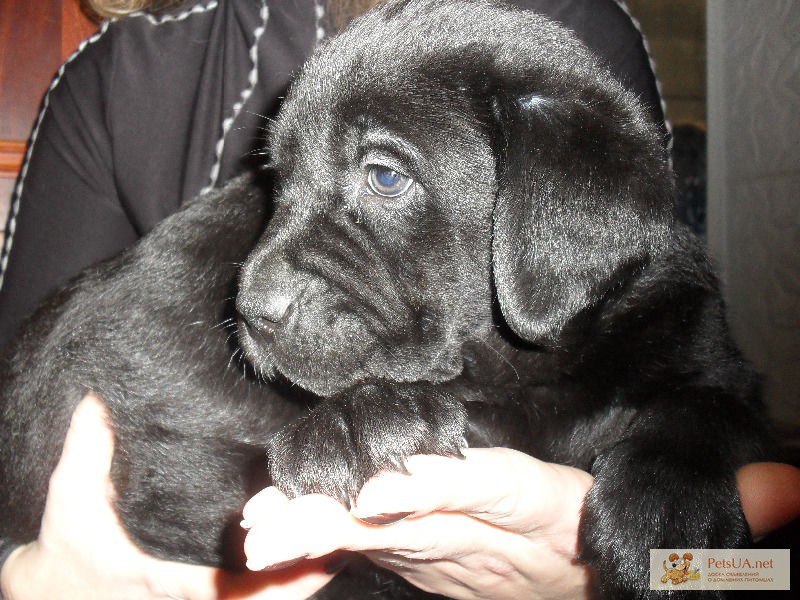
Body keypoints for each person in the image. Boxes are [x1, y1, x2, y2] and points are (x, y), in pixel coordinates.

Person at [1, 1, 797, 599]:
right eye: (281, 186)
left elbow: (754, 569)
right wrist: (24, 577)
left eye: (384, 175)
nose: (260, 287)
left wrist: (635, 577)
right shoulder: (122, 76)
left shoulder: (563, 51)